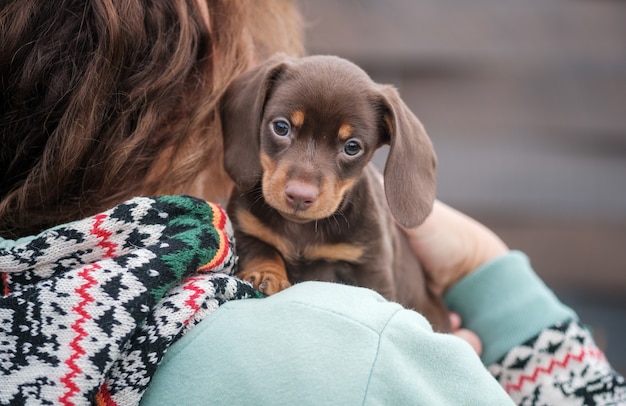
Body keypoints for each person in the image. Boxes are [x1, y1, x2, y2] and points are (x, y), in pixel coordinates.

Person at [0, 1, 624, 405]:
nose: (301, 184)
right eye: (281, 130)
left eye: (349, 149)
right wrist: (475, 302)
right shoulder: (354, 366)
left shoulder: (53, 319)